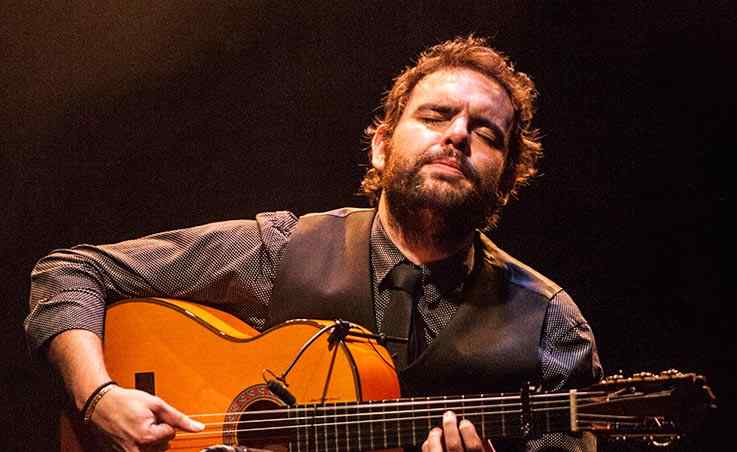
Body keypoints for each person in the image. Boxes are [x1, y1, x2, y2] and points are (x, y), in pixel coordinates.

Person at [25, 35, 602, 452]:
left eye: (485, 132)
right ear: (381, 147)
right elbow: (70, 272)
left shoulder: (550, 324)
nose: (457, 135)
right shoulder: (280, 249)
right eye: (436, 116)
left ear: (507, 180)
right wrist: (97, 398)